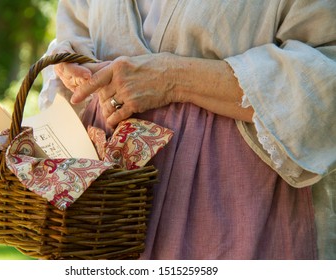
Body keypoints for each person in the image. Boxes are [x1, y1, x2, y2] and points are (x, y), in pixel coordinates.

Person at [39, 0, 336, 259]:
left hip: (231, 203)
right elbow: (77, 28)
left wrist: (174, 78)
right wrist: (73, 65)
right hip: (105, 211)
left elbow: (327, 75)